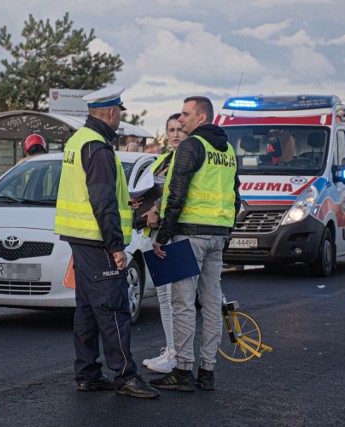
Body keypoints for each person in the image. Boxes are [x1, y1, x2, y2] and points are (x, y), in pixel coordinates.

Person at [54, 86, 159, 399]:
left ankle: (87, 373)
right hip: (98, 240)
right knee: (114, 309)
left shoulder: (79, 141)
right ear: (112, 113)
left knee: (87, 309)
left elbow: (95, 196)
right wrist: (116, 247)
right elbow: (101, 201)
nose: (120, 117)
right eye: (120, 112)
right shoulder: (99, 148)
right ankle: (125, 376)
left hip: (81, 238)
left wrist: (131, 208)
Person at [149, 96, 240, 392]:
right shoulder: (227, 151)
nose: (182, 119)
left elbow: (177, 192)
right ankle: (207, 372)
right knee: (212, 303)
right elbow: (235, 197)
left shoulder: (192, 146)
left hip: (188, 234)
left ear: (201, 117)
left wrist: (163, 234)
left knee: (182, 303)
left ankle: (183, 371)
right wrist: (227, 232)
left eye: (186, 114)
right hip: (217, 235)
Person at [136, 113, 186, 373]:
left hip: (175, 233)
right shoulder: (165, 160)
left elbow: (177, 194)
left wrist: (155, 207)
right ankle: (171, 351)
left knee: (177, 300)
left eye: (179, 129)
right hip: (159, 234)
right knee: (166, 299)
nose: (175, 134)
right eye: (171, 129)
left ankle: (176, 355)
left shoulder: (186, 158)